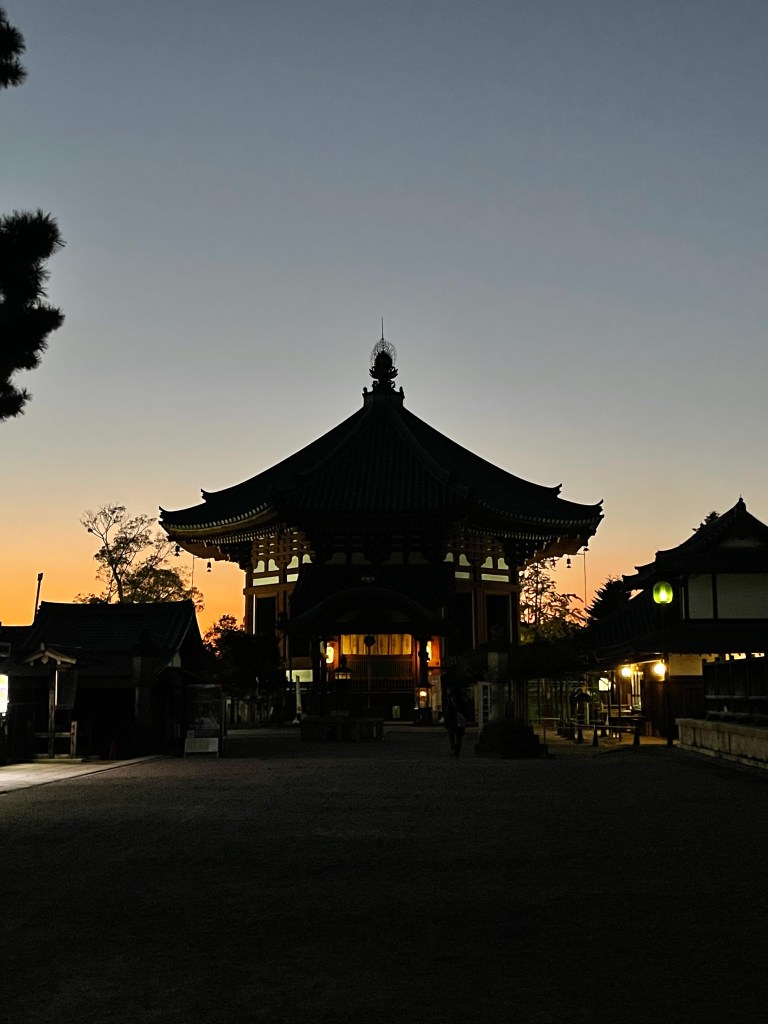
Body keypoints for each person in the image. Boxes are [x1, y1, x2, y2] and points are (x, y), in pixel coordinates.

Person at [443, 690, 467, 758]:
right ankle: (457, 751)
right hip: (459, 722)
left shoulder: (450, 702)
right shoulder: (462, 701)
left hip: (452, 722)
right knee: (459, 738)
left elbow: (447, 713)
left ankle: (453, 750)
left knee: (452, 737)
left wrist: (446, 722)